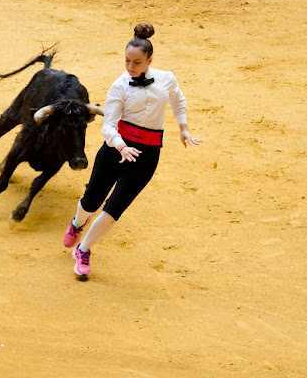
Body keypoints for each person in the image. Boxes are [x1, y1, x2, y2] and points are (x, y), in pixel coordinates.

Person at [63, 22, 204, 278]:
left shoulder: (166, 78)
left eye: (136, 62)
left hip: (148, 155)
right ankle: (77, 223)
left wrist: (183, 127)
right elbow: (108, 127)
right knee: (92, 199)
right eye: (127, 61)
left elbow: (177, 98)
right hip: (115, 151)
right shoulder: (119, 86)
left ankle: (83, 250)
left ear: (150, 60)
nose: (130, 67)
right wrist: (122, 146)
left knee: (115, 208)